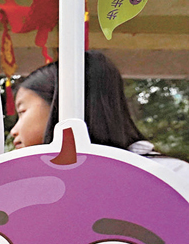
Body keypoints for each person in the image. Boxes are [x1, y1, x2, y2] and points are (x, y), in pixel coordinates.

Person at [10, 51, 189, 176]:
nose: (14, 131)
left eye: (23, 111)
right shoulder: (28, 186)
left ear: (61, 108)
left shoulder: (168, 176)